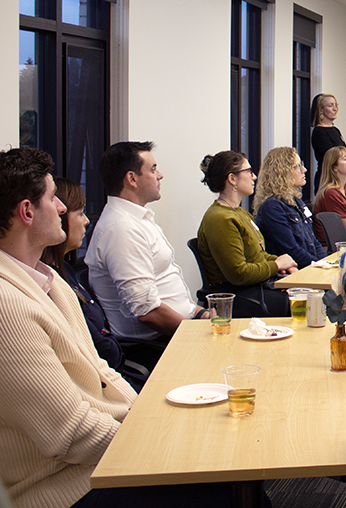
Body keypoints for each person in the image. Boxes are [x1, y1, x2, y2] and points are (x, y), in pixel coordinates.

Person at [0, 148, 137, 507]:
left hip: (105, 462)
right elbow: (69, 435)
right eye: (52, 199)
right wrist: (149, 438)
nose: (62, 208)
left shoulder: (50, 280)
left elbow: (101, 372)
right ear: (27, 212)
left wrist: (145, 419)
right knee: (230, 490)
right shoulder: (7, 306)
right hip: (71, 489)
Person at [85, 142, 209, 370]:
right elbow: (147, 311)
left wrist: (200, 314)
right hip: (158, 346)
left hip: (182, 327)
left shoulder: (136, 220)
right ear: (132, 179)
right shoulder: (121, 228)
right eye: (153, 170)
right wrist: (197, 334)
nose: (160, 175)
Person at [40, 178, 145, 392]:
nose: (87, 221)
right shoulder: (51, 284)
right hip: (108, 383)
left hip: (113, 375)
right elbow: (101, 348)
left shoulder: (66, 271)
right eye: (79, 213)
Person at [197, 151, 297, 316]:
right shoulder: (220, 219)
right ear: (232, 179)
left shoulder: (240, 213)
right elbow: (239, 274)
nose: (254, 177)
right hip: (239, 295)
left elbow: (258, 255)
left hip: (253, 288)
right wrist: (277, 265)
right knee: (305, 301)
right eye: (249, 172)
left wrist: (287, 265)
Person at [253, 147, 326, 269]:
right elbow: (291, 250)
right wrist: (320, 265)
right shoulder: (272, 207)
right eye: (297, 167)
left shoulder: (297, 202)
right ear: (282, 172)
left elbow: (314, 242)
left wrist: (327, 262)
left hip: (310, 267)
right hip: (292, 273)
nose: (304, 170)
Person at [310, 93, 345, 193]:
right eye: (330, 105)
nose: (335, 109)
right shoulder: (319, 132)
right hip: (327, 177)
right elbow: (332, 156)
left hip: (338, 176)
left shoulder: (335, 130)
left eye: (336, 105)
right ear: (321, 110)